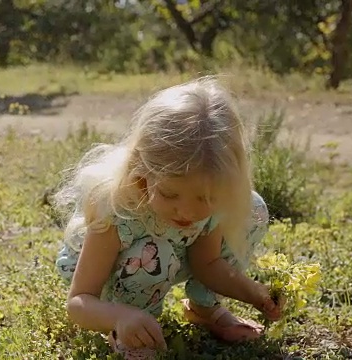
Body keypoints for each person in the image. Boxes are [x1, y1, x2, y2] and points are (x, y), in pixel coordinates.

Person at [53, 77, 287, 359]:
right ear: (142, 172)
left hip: (173, 253)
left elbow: (208, 263)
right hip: (113, 275)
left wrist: (254, 293)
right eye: (169, 195)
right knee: (156, 252)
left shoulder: (210, 203)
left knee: (252, 209)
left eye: (204, 198)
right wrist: (119, 317)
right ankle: (134, 332)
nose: (187, 213)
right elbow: (79, 302)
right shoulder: (116, 211)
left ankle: (205, 310)